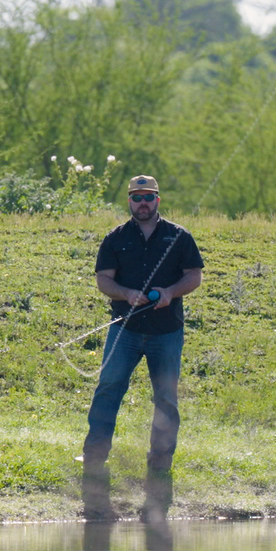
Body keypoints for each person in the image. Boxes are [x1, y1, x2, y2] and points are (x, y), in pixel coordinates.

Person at [82, 174, 203, 521]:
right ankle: (94, 457)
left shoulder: (179, 236)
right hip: (124, 330)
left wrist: (170, 293)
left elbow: (194, 275)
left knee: (166, 398)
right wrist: (124, 293)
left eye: (148, 197)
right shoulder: (115, 238)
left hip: (167, 332)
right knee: (108, 389)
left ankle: (160, 464)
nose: (142, 203)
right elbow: (104, 279)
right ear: (129, 202)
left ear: (158, 200)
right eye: (136, 197)